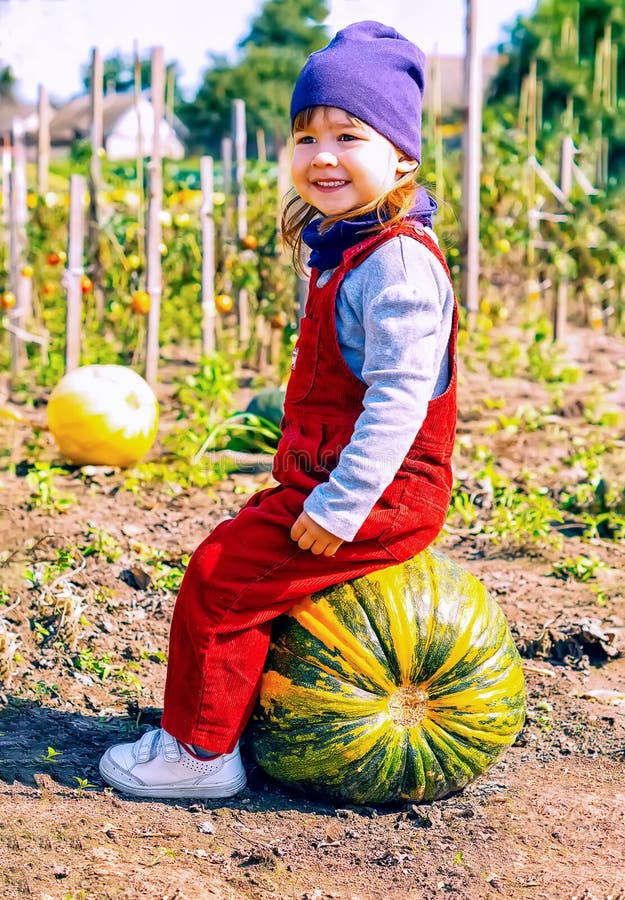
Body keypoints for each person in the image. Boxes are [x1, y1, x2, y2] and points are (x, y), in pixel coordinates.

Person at [99, 20, 458, 799]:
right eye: (305, 135)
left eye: (348, 135)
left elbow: (399, 400)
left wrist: (341, 505)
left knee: (222, 580)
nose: (321, 154)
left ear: (400, 154)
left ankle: (198, 758)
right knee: (240, 556)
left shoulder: (395, 262)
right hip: (337, 482)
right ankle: (224, 723)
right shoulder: (350, 246)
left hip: (378, 494)